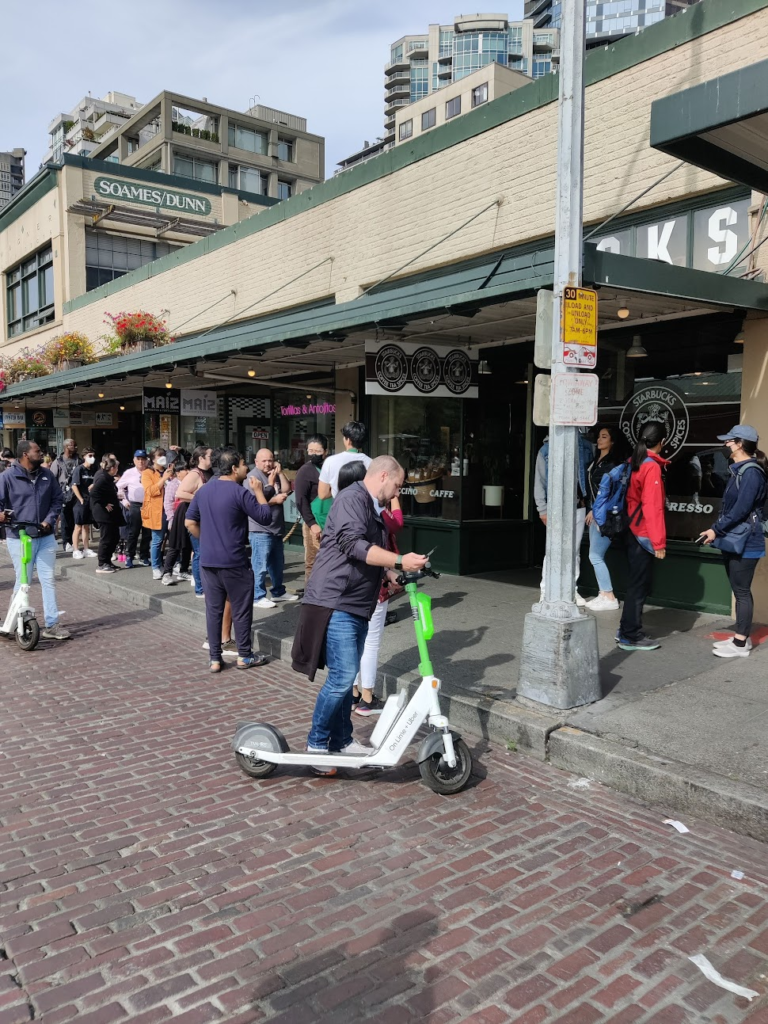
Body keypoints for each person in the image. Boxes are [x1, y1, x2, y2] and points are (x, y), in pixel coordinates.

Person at [291, 455, 427, 776]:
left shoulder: (369, 504)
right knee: (342, 679)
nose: (397, 493)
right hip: (337, 600)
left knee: (344, 678)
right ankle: (317, 744)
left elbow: (367, 556)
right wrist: (398, 561)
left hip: (354, 603)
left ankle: (341, 740)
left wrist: (390, 575)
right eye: (396, 485)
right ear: (383, 476)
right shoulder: (353, 499)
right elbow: (354, 545)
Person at [185, 448, 271, 673]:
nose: (246, 468)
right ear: (234, 468)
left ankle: (215, 658)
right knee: (241, 609)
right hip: (234, 561)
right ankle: (244, 655)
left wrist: (206, 540)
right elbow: (265, 517)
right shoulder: (239, 492)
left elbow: (189, 522)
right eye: (243, 464)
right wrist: (259, 491)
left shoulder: (204, 491)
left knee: (213, 610)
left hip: (209, 561)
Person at [339, 461, 404, 717]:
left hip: (352, 588)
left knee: (356, 642)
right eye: (396, 486)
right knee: (369, 642)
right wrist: (394, 565)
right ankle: (366, 697)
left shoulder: (344, 506)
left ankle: (354, 693)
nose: (395, 491)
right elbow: (396, 523)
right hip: (370, 587)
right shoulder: (373, 510)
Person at [698, 425, 767, 659]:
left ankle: (740, 644)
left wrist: (715, 530)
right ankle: (740, 637)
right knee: (739, 591)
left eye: (729, 441)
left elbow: (740, 510)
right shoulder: (739, 470)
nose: (725, 444)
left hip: (747, 541)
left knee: (742, 591)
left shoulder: (751, 473)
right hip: (736, 538)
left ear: (739, 444)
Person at [0, 440, 69, 640]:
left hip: (45, 536)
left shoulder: (47, 475)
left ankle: (52, 624)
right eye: (37, 451)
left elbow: (57, 500)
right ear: (25, 455)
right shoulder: (7, 477)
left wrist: (49, 520)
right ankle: (15, 620)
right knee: (24, 581)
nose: (41, 454)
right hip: (20, 537)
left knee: (48, 580)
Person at [616, 421, 668, 652]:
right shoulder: (651, 467)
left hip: (629, 529)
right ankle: (630, 635)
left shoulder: (633, 461)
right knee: (639, 585)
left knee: (635, 583)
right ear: (662, 442)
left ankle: (627, 629)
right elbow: (653, 507)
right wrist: (658, 542)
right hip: (643, 533)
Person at [534, 430, 593, 605]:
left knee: (573, 551)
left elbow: (589, 478)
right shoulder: (546, 449)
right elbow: (540, 481)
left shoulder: (586, 446)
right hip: (556, 508)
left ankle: (571, 590)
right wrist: (542, 509)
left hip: (579, 505)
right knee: (553, 549)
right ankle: (546, 590)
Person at [248, 448, 297, 609]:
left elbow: (286, 489)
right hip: (260, 528)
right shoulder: (252, 477)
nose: (268, 463)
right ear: (256, 461)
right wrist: (274, 501)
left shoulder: (273, 474)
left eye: (270, 460)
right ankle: (257, 595)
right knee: (260, 564)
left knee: (277, 563)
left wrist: (280, 473)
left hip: (276, 527)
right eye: (264, 460)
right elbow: (252, 505)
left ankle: (278, 591)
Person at [584, 426, 622, 611]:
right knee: (595, 555)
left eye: (604, 437)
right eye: (599, 436)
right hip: (596, 513)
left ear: (612, 441)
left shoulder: (613, 464)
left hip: (604, 514)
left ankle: (609, 595)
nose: (599, 440)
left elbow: (611, 493)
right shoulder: (596, 461)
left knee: (595, 555)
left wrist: (595, 510)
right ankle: (603, 593)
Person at [173, 446, 212, 597]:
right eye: (210, 456)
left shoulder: (210, 472)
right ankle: (200, 588)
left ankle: (205, 584)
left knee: (205, 552)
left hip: (206, 518)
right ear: (201, 458)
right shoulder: (195, 474)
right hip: (196, 519)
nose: (212, 458)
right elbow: (180, 493)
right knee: (199, 552)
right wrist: (199, 498)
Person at [293, 434, 328, 584]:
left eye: (317, 451)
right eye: (310, 451)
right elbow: (301, 500)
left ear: (325, 451)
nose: (313, 454)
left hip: (330, 521)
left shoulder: (330, 467)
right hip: (313, 524)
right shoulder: (305, 471)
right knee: (313, 563)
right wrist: (312, 524)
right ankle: (311, 600)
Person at [141, 448, 174, 583]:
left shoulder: (170, 471)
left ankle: (172, 565)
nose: (163, 458)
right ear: (153, 459)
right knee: (157, 540)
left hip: (170, 510)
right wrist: (164, 478)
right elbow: (151, 491)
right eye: (160, 456)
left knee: (172, 539)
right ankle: (156, 566)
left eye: (164, 455)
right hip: (157, 511)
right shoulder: (147, 473)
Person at [160, 449, 193, 585]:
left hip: (189, 516)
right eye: (185, 470)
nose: (188, 472)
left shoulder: (191, 483)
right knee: (174, 546)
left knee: (187, 545)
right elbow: (168, 503)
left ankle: (183, 570)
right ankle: (167, 573)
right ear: (178, 472)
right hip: (177, 517)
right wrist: (171, 519)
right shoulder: (173, 484)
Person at [317, 421, 372, 500]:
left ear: (348, 440)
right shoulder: (371, 463)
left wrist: (335, 491)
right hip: (363, 507)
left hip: (340, 507)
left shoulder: (330, 461)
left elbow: (322, 494)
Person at [90, 455, 124, 573]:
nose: (117, 470)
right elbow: (94, 492)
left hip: (110, 514)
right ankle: (102, 563)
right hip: (103, 513)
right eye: (116, 467)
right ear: (113, 468)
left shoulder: (108, 478)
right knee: (106, 538)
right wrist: (105, 503)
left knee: (114, 537)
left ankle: (108, 561)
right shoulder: (103, 477)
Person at [117, 450, 151, 567]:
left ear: (147, 460)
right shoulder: (129, 472)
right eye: (138, 459)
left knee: (147, 533)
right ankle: (129, 556)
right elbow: (119, 487)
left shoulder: (151, 471)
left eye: (143, 459)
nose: (141, 461)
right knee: (133, 532)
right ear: (134, 460)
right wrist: (124, 501)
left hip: (148, 505)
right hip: (134, 505)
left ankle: (144, 556)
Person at [52, 438, 81, 552]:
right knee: (65, 519)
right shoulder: (58, 461)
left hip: (77, 493)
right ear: (66, 447)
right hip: (63, 493)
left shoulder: (79, 460)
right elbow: (53, 478)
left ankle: (75, 543)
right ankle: (66, 542)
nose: (75, 447)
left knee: (76, 518)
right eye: (72, 445)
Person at [70, 447, 98, 560]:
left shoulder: (93, 470)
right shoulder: (79, 469)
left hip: (90, 500)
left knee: (86, 526)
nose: (92, 458)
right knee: (78, 526)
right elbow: (74, 485)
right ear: (84, 457)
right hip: (80, 501)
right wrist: (80, 499)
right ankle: (76, 549)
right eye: (90, 456)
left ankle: (86, 549)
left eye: (93, 455)